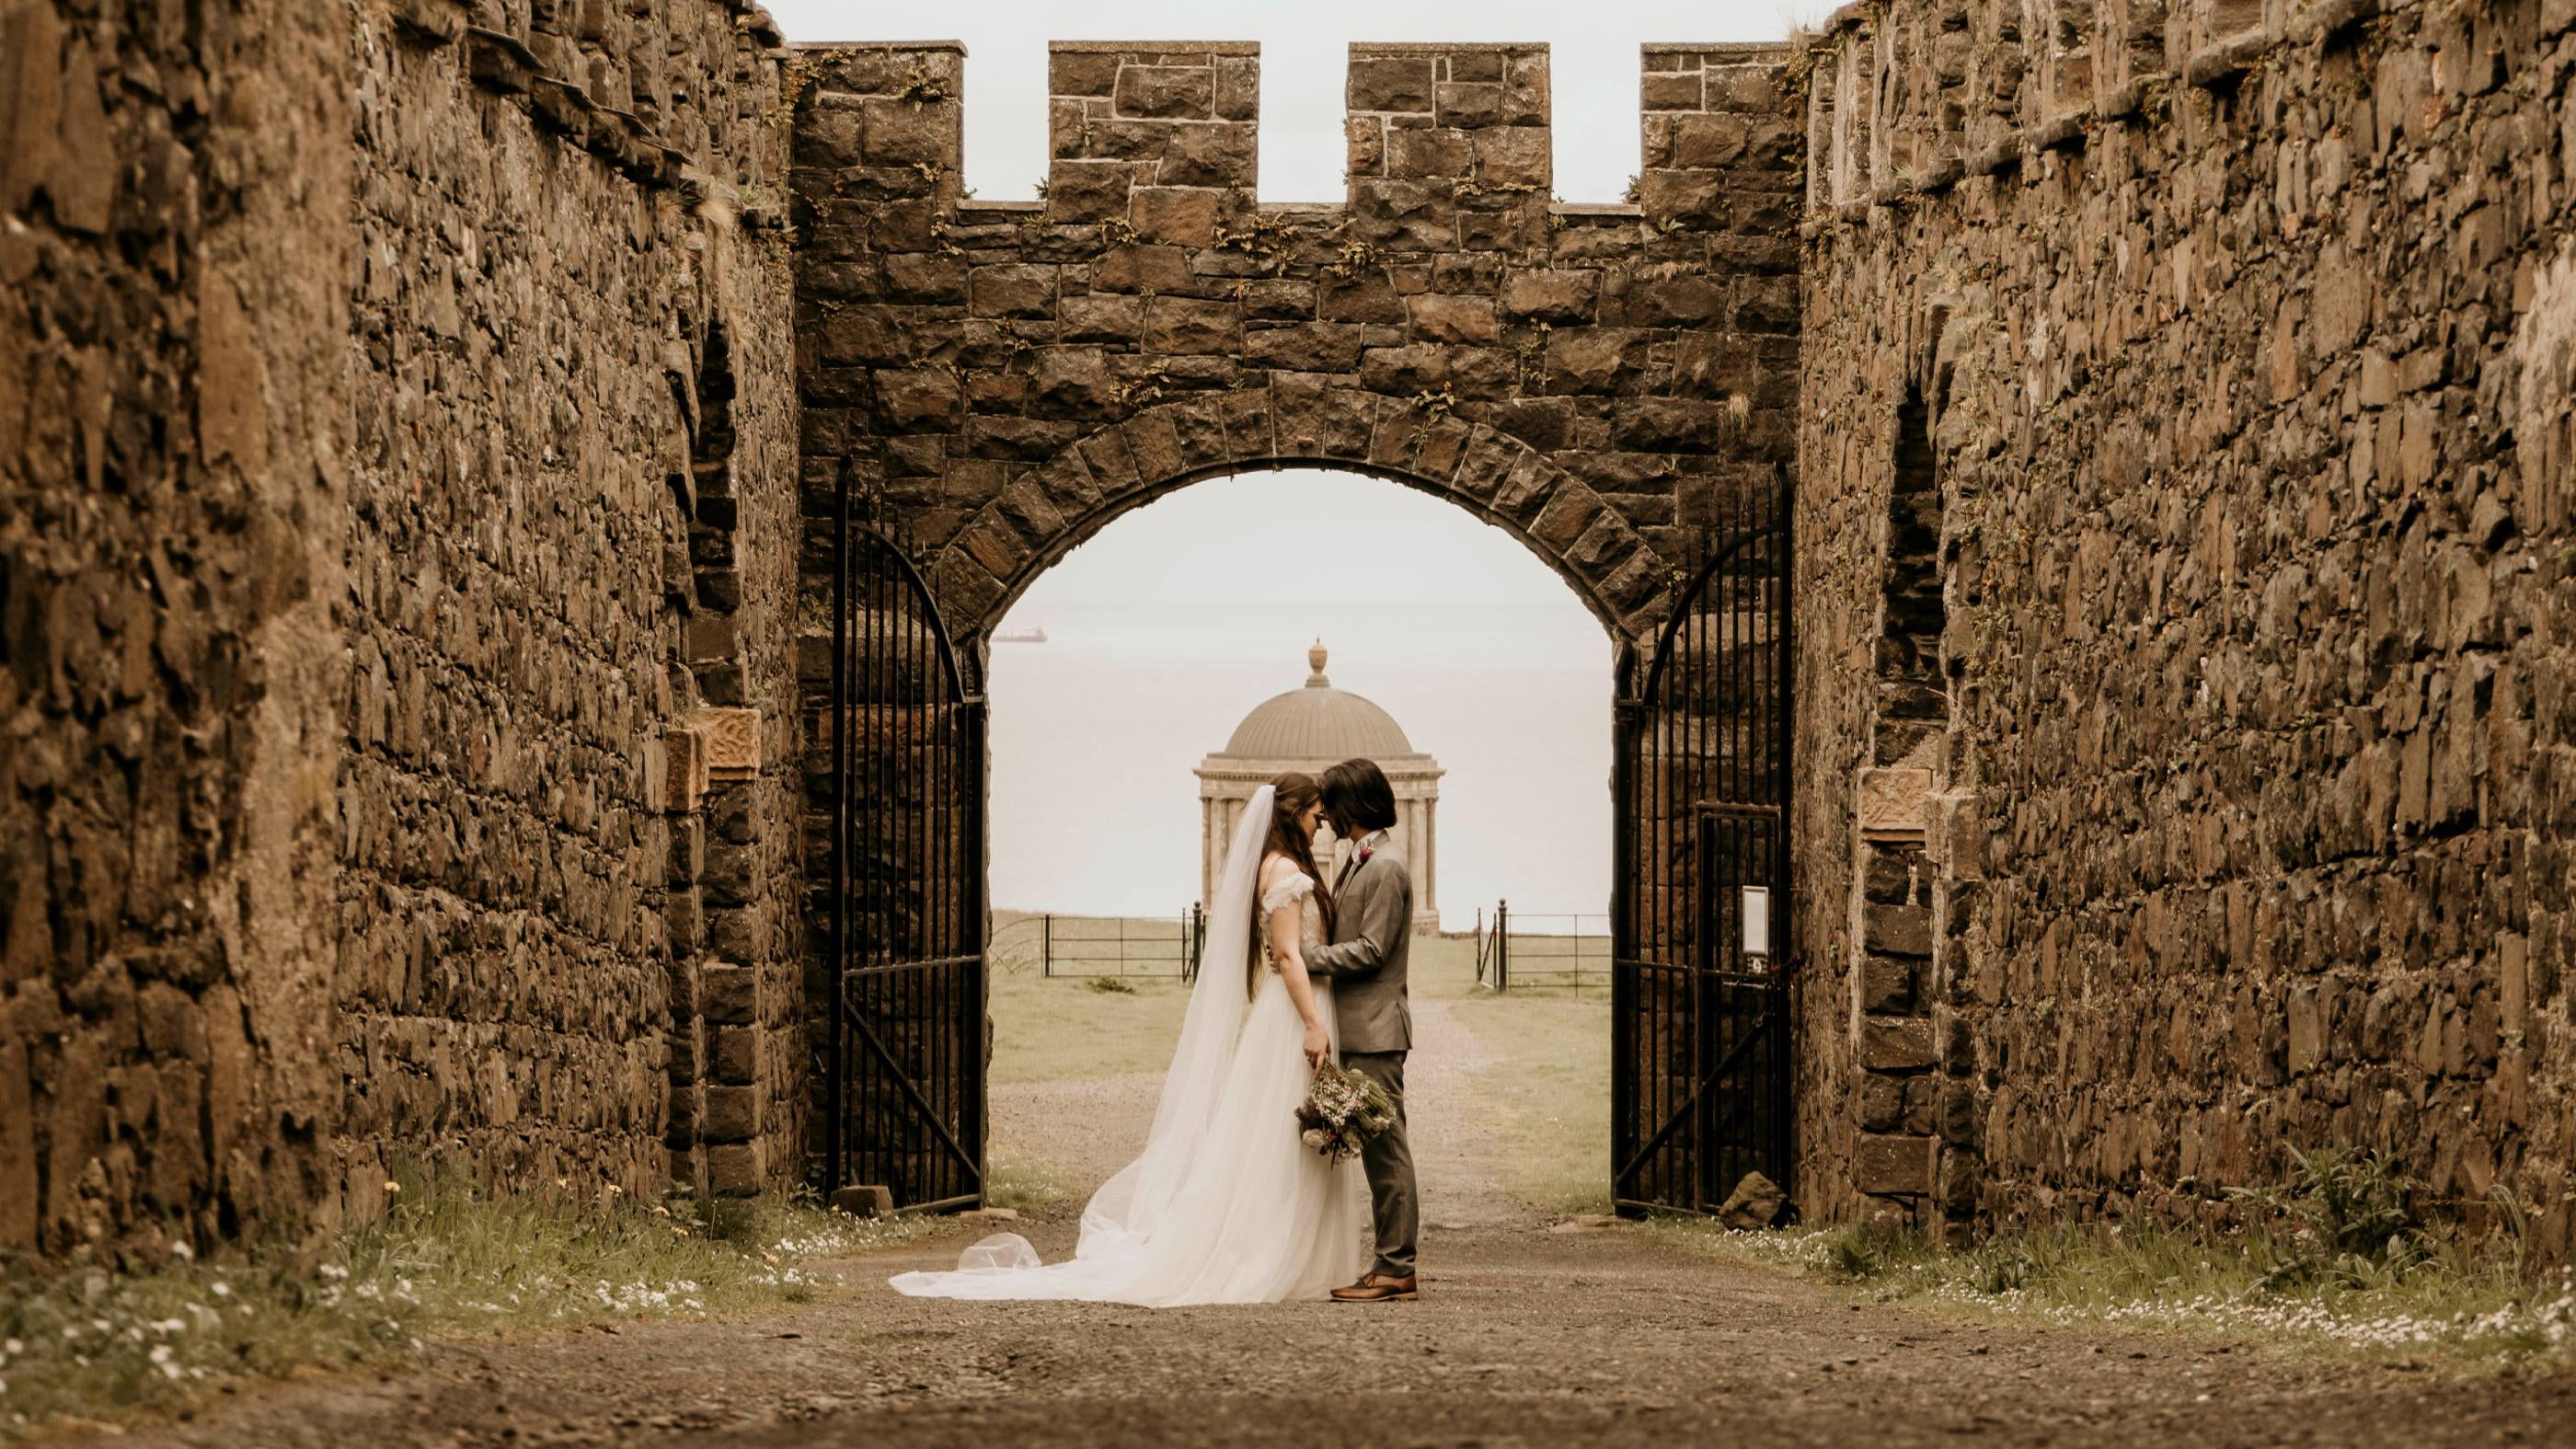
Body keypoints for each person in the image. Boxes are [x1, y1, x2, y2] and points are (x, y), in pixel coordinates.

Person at [887, 774, 1363, 1306]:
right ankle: (1271, 1251)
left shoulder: (1279, 867)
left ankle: (1287, 1247)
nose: (1320, 826)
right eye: (1315, 816)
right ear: (1291, 811)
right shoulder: (1286, 872)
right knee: (1282, 1136)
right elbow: (1291, 955)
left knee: (1285, 1135)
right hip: (1295, 1014)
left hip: (1295, 1008)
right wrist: (1313, 1023)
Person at [1304, 757, 1420, 1303]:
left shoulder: (1388, 867)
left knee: (1386, 1149)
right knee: (1373, 1151)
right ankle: (1387, 1264)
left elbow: (1373, 950)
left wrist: (1309, 959)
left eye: (1331, 803)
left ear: (1354, 804)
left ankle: (1397, 1266)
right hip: (1356, 1026)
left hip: (1377, 1030)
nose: (1324, 813)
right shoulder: (1359, 858)